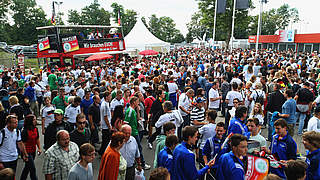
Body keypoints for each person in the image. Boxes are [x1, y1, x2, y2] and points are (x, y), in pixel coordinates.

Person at [20, 114, 42, 180]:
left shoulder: (35, 129)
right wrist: (25, 154)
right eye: (34, 120)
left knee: (27, 168)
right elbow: (23, 144)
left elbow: (37, 139)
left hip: (33, 151)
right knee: (32, 169)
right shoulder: (25, 131)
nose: (36, 121)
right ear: (30, 121)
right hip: (26, 152)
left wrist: (39, 148)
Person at [99, 91, 112, 155]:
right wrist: (109, 126)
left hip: (106, 125)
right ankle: (103, 152)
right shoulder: (104, 105)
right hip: (105, 126)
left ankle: (101, 151)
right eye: (110, 96)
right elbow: (105, 117)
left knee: (105, 140)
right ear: (106, 97)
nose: (111, 97)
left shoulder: (106, 103)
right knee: (106, 140)